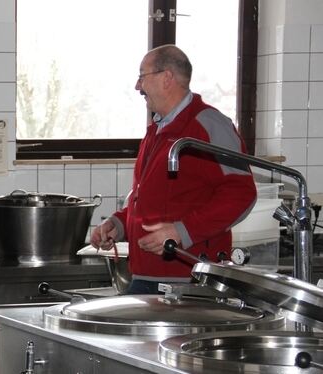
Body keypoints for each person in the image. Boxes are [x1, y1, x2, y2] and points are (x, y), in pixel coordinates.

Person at [90, 45, 257, 294]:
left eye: (142, 76)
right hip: (147, 275)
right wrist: (121, 225)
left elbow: (241, 195)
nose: (138, 87)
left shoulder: (208, 125)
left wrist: (183, 231)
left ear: (166, 77)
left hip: (188, 283)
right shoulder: (158, 129)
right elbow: (158, 200)